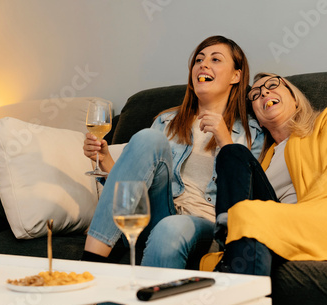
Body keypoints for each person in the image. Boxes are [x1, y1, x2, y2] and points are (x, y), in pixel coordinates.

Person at [81, 35, 264, 269]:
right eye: (199, 59)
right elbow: (133, 188)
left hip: (202, 224)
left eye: (215, 59)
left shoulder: (252, 133)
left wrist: (224, 139)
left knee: (171, 228)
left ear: (236, 76)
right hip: (157, 212)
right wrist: (105, 159)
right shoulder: (166, 121)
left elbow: (247, 195)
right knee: (148, 138)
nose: (203, 64)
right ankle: (88, 266)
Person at [200, 73, 327, 275]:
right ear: (258, 120)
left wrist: (297, 216)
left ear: (295, 98)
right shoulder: (264, 161)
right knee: (234, 153)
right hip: (279, 224)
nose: (264, 92)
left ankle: (234, 237)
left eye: (273, 84)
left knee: (248, 215)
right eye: (256, 95)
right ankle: (233, 235)